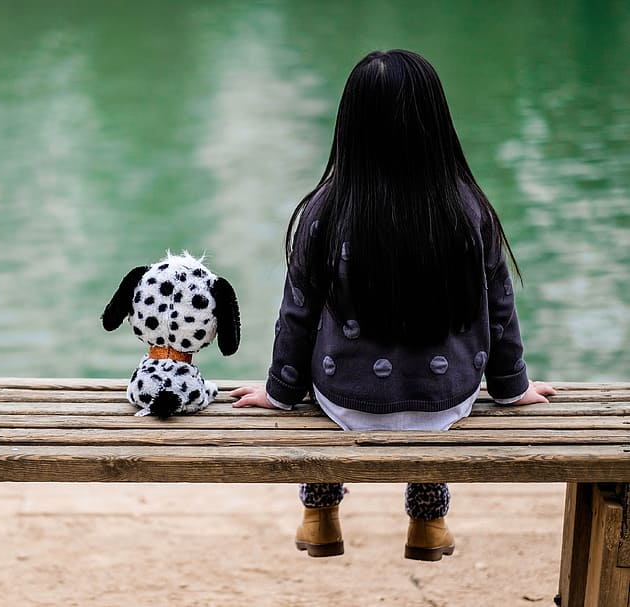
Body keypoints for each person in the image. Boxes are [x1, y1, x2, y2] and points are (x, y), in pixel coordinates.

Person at [230, 49, 556, 562]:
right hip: (447, 400)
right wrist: (513, 388)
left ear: (351, 126)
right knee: (429, 399)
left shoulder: (325, 210)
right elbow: (500, 308)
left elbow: (297, 315)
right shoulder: (468, 207)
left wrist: (280, 393)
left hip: (347, 402)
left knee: (321, 395)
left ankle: (320, 515)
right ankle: (428, 521)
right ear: (436, 123)